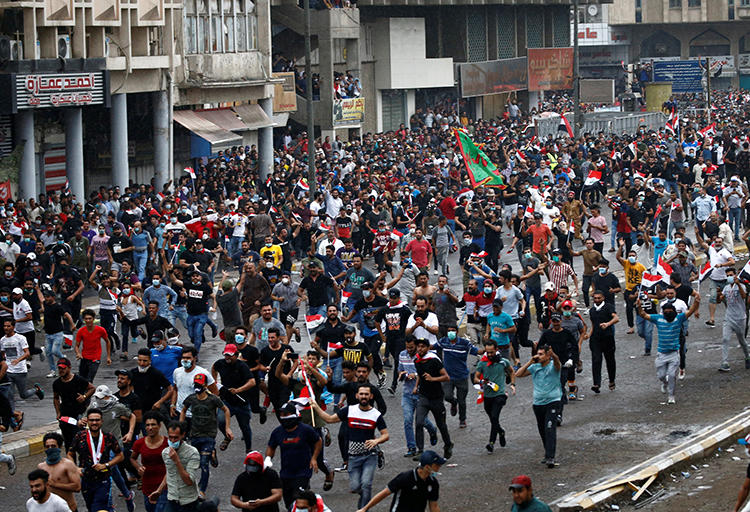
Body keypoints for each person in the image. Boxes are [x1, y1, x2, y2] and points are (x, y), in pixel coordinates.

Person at [311, 384, 389, 509]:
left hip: (370, 456)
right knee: (355, 487)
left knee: (366, 484)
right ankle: (364, 500)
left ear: (371, 396)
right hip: (353, 457)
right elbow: (330, 419)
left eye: (366, 394)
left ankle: (363, 509)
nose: (364, 396)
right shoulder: (350, 410)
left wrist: (376, 441)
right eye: (361, 394)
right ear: (357, 396)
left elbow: (385, 435)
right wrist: (316, 407)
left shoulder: (376, 414)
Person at [638, 295, 699, 404]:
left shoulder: (679, 318)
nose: (668, 314)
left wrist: (697, 301)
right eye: (666, 312)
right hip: (661, 353)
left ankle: (671, 395)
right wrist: (639, 306)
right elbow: (643, 314)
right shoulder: (658, 318)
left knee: (671, 375)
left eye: (670, 311)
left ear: (674, 311)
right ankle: (664, 383)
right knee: (661, 375)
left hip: (674, 353)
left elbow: (690, 311)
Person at [179, 373, 232, 496]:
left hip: (209, 435)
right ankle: (212, 452)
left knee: (204, 463)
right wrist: (180, 427)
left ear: (205, 385)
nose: (197, 386)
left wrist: (227, 428)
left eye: (200, 384)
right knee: (194, 462)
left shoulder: (213, 399)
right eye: (195, 384)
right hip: (195, 435)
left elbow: (226, 410)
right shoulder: (191, 398)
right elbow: (183, 410)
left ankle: (202, 490)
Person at [265, 402, 321, 509]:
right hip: (286, 473)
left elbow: (318, 441)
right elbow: (271, 447)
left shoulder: (306, 430)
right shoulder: (277, 432)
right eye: (281, 414)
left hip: (303, 471)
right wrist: (267, 459)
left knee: (299, 500)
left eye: (286, 414)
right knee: (289, 503)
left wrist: (314, 458)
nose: (283, 417)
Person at [67, 408, 124, 512]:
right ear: (87, 421)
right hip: (86, 479)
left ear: (102, 421)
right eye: (92, 420)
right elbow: (70, 454)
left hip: (103, 478)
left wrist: (106, 465)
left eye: (97, 420)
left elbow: (120, 456)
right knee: (91, 507)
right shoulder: (80, 436)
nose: (94, 423)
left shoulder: (108, 437)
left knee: (98, 508)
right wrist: (75, 468)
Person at [515, 345, 562, 468]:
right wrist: (530, 361)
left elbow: (558, 364)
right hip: (538, 402)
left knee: (549, 428)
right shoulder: (535, 367)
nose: (539, 356)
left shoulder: (553, 366)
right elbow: (518, 374)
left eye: (541, 354)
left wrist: (554, 355)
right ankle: (547, 454)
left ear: (547, 355)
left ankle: (551, 457)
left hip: (553, 400)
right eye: (538, 354)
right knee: (542, 430)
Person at [355, 450, 443, 512]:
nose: (439, 468)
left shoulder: (433, 483)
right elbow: (384, 493)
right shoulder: (405, 478)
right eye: (437, 465)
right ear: (427, 467)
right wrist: (364, 509)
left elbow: (433, 506)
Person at [433, 323, 480, 429]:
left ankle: (462, 419)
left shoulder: (464, 343)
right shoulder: (444, 341)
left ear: (457, 332)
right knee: (447, 396)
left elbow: (476, 351)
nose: (451, 333)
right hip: (448, 377)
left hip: (461, 376)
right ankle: (454, 403)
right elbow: (433, 347)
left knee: (462, 401)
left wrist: (489, 350)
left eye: (453, 330)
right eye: (449, 330)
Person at [397, 337, 438, 458]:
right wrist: (402, 374)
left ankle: (432, 430)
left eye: (411, 347)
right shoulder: (402, 355)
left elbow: (426, 373)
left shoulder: (423, 357)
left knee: (421, 420)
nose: (409, 349)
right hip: (407, 393)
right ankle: (411, 447)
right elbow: (400, 370)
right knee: (407, 420)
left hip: (421, 393)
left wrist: (414, 375)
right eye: (407, 347)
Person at [412, 337, 452, 460]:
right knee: (418, 422)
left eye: (423, 346)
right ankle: (420, 450)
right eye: (418, 346)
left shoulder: (434, 360)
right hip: (423, 396)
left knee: (441, 424)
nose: (420, 349)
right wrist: (416, 386)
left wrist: (433, 379)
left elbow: (446, 377)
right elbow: (420, 375)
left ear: (428, 348)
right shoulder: (417, 361)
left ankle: (448, 444)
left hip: (436, 397)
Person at [211, 343, 255, 453]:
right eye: (226, 355)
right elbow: (213, 368)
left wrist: (238, 390)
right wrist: (214, 382)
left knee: (245, 427)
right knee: (220, 421)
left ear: (236, 355)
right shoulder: (220, 363)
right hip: (226, 401)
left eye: (230, 355)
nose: (227, 358)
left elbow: (252, 382)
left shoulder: (242, 366)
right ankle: (227, 437)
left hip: (242, 402)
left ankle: (248, 448)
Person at [148, 420, 201, 511]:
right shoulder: (165, 453)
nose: (172, 441)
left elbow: (189, 481)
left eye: (176, 438)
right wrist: (159, 490)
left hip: (188, 500)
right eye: (170, 437)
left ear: (183, 435)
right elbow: (169, 472)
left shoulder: (192, 453)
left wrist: (177, 461)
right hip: (172, 498)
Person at [474, 339, 514, 453]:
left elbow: (511, 371)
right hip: (487, 395)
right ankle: (501, 431)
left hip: (500, 394)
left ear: (496, 350)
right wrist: (481, 381)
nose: (490, 355)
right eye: (488, 352)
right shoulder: (482, 363)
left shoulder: (503, 362)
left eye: (491, 352)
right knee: (492, 418)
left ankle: (491, 443)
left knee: (495, 416)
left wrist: (513, 384)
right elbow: (475, 378)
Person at [1, 318, 44, 410]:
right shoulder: (2, 340)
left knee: (23, 394)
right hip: (9, 371)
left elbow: (27, 353)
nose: (6, 328)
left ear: (13, 327)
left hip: (20, 371)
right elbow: (2, 354)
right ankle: (12, 415)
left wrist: (18, 360)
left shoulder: (20, 338)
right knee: (10, 396)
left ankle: (36, 390)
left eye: (8, 326)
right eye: (4, 326)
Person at [52, 357, 95, 450]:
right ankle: (71, 463)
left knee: (81, 443)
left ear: (69, 368)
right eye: (59, 368)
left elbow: (92, 388)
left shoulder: (78, 379)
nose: (61, 370)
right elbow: (56, 398)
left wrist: (84, 397)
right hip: (65, 417)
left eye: (63, 368)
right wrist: (58, 412)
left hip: (78, 415)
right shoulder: (56, 383)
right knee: (68, 444)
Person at [130, 411, 168, 512]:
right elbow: (132, 458)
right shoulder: (139, 443)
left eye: (153, 424)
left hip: (164, 485)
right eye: (147, 425)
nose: (150, 428)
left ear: (159, 426)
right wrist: (138, 467)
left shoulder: (167, 443)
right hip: (147, 486)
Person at [170, 347, 219, 422]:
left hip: (197, 416)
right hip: (180, 413)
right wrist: (173, 404)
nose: (185, 360)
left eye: (188, 358)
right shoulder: (177, 372)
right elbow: (175, 389)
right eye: (183, 358)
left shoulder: (203, 373)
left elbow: (215, 392)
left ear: (195, 358)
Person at [717, 267, 750, 372]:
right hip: (729, 317)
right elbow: (719, 300)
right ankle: (725, 362)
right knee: (725, 339)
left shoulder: (742, 286)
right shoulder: (726, 288)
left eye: (731, 275)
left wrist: (738, 284)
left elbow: (743, 296)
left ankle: (747, 356)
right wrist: (718, 294)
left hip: (740, 318)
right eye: (727, 276)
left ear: (735, 275)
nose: (729, 277)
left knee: (742, 341)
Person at [36, 432, 80, 511]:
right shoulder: (41, 467)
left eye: (53, 446)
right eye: (47, 447)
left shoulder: (68, 465)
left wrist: (55, 484)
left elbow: (77, 487)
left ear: (59, 447)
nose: (50, 449)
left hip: (68, 509)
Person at [38, 289, 75, 378]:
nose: (46, 298)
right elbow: (40, 298)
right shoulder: (46, 305)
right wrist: (37, 289)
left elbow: (67, 315)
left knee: (55, 351)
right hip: (48, 334)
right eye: (46, 297)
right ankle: (53, 370)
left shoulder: (58, 307)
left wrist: (72, 325)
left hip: (57, 334)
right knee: (48, 353)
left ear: (53, 297)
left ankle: (63, 357)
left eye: (48, 297)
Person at [588, 290, 619, 393]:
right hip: (595, 339)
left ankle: (611, 380)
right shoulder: (592, 310)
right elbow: (593, 324)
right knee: (596, 360)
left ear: (603, 298)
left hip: (607, 338)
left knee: (610, 360)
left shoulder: (608, 307)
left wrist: (607, 324)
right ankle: (596, 383)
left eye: (599, 298)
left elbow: (616, 318)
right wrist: (588, 334)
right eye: (595, 298)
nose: (597, 300)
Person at [131, 347, 174, 413]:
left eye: (145, 361)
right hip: (138, 409)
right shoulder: (133, 372)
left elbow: (170, 389)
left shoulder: (156, 373)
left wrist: (160, 402)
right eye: (140, 360)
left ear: (150, 360)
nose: (142, 363)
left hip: (153, 409)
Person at [74, 309, 111, 382]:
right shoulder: (81, 331)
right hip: (84, 358)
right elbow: (76, 345)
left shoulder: (100, 330)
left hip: (95, 359)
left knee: (89, 380)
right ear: (84, 320)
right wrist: (78, 353)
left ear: (93, 319)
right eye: (86, 319)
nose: (88, 321)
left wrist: (108, 357)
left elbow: (108, 342)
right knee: (82, 380)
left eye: (90, 318)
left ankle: (87, 392)